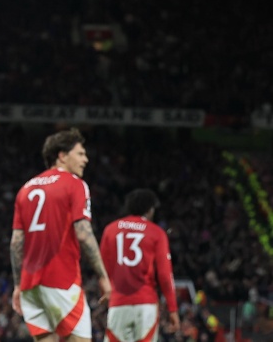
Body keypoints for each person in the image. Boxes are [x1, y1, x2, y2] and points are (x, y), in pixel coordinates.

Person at [10, 128, 111, 342]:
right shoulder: (75, 184)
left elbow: (16, 242)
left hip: (30, 286)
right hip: (61, 281)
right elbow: (83, 234)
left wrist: (18, 285)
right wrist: (103, 276)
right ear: (62, 156)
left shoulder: (25, 189)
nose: (85, 159)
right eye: (80, 153)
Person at [99, 189, 180, 342]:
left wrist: (104, 291)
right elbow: (165, 275)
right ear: (150, 210)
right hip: (146, 304)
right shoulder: (156, 233)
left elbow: (102, 269)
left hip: (119, 303)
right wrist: (172, 309)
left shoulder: (110, 230)